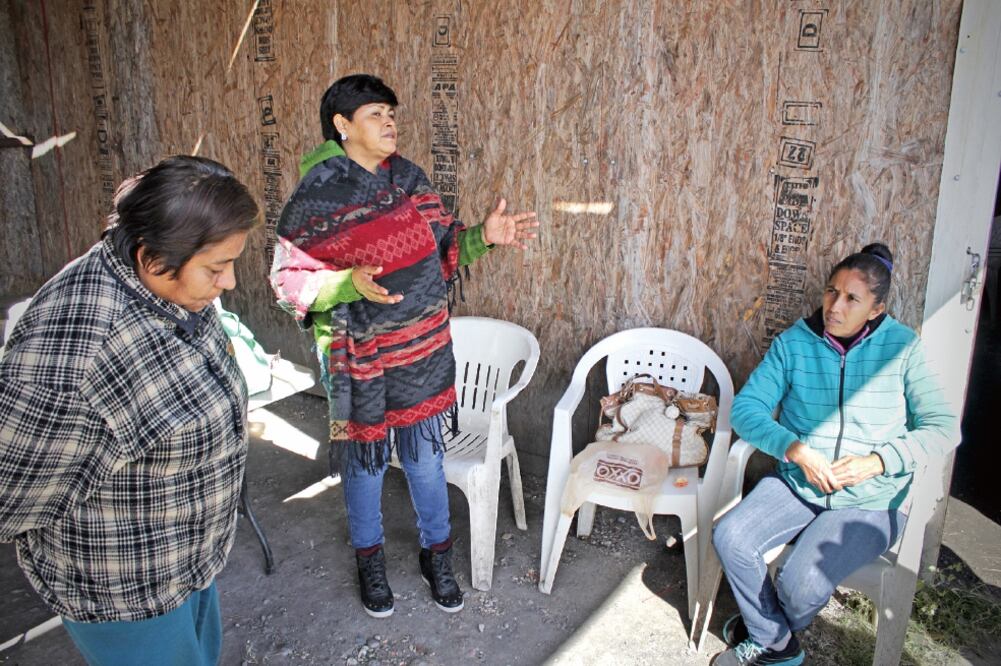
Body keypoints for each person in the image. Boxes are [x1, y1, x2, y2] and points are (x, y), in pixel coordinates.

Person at [270, 73, 538, 618]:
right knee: (366, 464)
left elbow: (445, 249)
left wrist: (484, 237)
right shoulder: (318, 193)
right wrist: (347, 284)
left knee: (423, 458)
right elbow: (287, 280)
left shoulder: (410, 179)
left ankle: (436, 554)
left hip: (422, 349)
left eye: (392, 113)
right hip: (361, 356)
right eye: (375, 114)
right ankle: (370, 561)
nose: (389, 122)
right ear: (342, 126)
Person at [0, 156, 259, 665]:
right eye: (216, 267)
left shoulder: (170, 290)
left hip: (184, 561)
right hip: (125, 587)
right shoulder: (75, 357)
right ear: (152, 259)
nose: (229, 283)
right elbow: (10, 493)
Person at [711, 243, 957, 666]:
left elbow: (942, 428)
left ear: (876, 309)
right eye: (831, 292)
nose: (834, 305)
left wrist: (876, 463)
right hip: (799, 483)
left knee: (802, 582)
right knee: (730, 536)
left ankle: (761, 632)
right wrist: (795, 449)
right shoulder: (795, 344)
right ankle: (778, 646)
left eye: (851, 298)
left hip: (872, 500)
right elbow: (746, 409)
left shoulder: (904, 350)